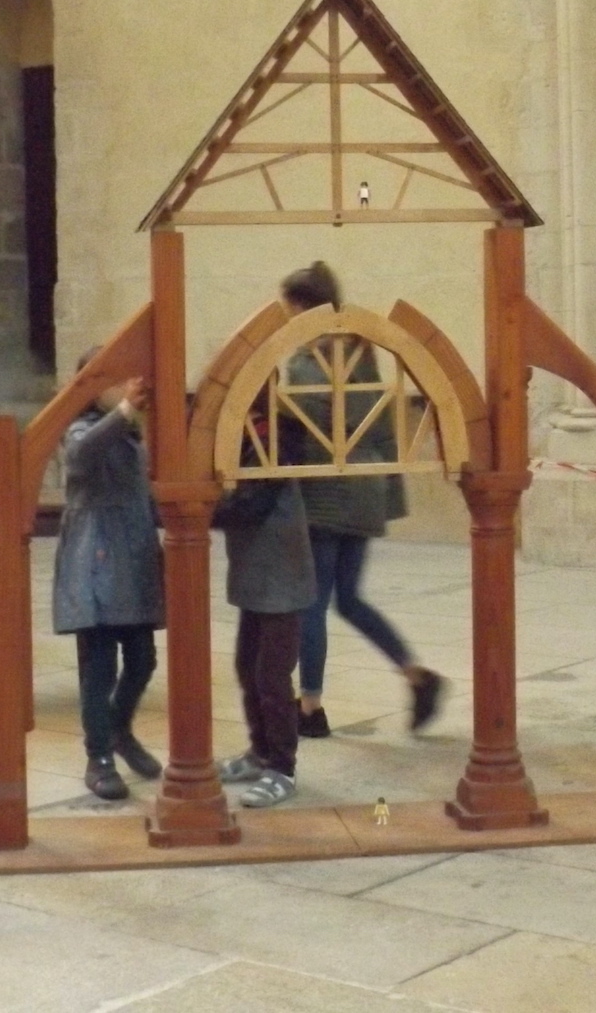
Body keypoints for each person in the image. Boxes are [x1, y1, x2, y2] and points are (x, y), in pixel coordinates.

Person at [279, 261, 445, 738]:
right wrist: (390, 494)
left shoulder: (313, 362)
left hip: (328, 492)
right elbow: (379, 429)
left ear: (306, 308)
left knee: (311, 603)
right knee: (348, 600)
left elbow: (317, 426)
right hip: (364, 490)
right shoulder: (363, 353)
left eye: (291, 311)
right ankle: (418, 677)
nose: (288, 322)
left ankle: (309, 707)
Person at [52, 352, 164, 800]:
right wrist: (124, 410)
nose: (124, 386)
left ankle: (119, 729)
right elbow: (80, 455)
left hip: (133, 557)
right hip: (95, 560)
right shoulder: (80, 428)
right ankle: (98, 755)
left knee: (142, 660)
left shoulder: (131, 433)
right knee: (99, 666)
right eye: (114, 381)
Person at [213, 399, 316, 807]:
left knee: (272, 676)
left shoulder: (275, 436)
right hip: (255, 572)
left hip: (282, 575)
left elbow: (253, 503)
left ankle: (282, 768)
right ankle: (259, 753)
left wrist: (202, 510)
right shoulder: (238, 435)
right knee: (246, 668)